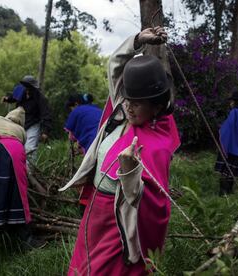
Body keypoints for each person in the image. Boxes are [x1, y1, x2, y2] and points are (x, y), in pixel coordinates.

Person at [58, 26, 180, 275]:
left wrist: (129, 172)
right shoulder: (123, 112)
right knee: (84, 264)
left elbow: (151, 202)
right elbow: (115, 64)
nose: (130, 107)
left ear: (156, 107)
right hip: (95, 210)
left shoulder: (156, 142)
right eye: (127, 99)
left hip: (119, 220)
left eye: (137, 103)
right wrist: (137, 40)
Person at [2, 76, 52, 165]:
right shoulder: (21, 91)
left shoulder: (40, 98)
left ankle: (29, 171)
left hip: (33, 124)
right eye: (26, 86)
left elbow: (46, 114)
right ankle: (14, 166)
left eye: (29, 87)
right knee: (15, 145)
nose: (27, 89)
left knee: (30, 148)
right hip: (19, 123)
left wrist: (45, 131)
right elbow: (13, 97)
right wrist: (7, 99)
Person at [215, 92, 238, 195]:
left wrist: (220, 130)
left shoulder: (234, 112)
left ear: (236, 102)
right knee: (232, 171)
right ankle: (230, 190)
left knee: (225, 170)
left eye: (231, 101)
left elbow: (228, 129)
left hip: (230, 147)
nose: (230, 103)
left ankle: (223, 192)